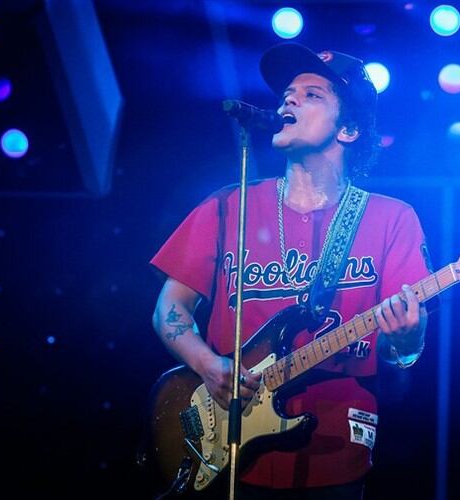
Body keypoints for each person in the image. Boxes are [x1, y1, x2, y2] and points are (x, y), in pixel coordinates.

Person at [150, 43, 431, 499]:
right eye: (288, 92)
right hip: (226, 441)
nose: (289, 99)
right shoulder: (228, 205)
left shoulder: (391, 219)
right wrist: (208, 365)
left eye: (312, 94)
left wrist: (407, 337)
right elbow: (170, 307)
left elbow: (403, 354)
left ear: (350, 130)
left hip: (333, 449)